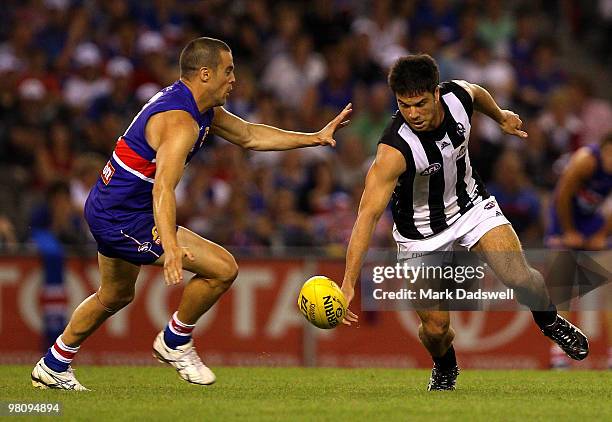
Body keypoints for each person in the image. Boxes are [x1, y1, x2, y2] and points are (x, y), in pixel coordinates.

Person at [31, 37, 352, 391]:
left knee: (115, 295)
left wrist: (315, 138)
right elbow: (163, 188)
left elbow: (249, 136)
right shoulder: (179, 121)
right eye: (227, 71)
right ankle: (174, 341)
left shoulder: (201, 109)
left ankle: (54, 364)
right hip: (124, 217)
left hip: (112, 205)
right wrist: (169, 246)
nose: (234, 79)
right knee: (223, 268)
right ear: (204, 74)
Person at [340, 54, 589, 391]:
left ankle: (549, 322)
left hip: (471, 207)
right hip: (420, 235)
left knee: (520, 277)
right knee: (436, 329)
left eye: (420, 103)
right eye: (404, 105)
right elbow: (366, 217)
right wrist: (349, 282)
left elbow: (475, 91)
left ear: (437, 93)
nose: (412, 113)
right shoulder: (394, 151)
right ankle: (445, 365)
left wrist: (500, 117)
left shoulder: (457, 96)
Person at [545, 133, 612, 368]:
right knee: (562, 287)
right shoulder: (586, 160)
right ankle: (560, 351)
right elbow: (562, 195)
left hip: (591, 220)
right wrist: (569, 232)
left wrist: (601, 235)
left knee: (608, 282)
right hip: (563, 221)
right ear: (604, 150)